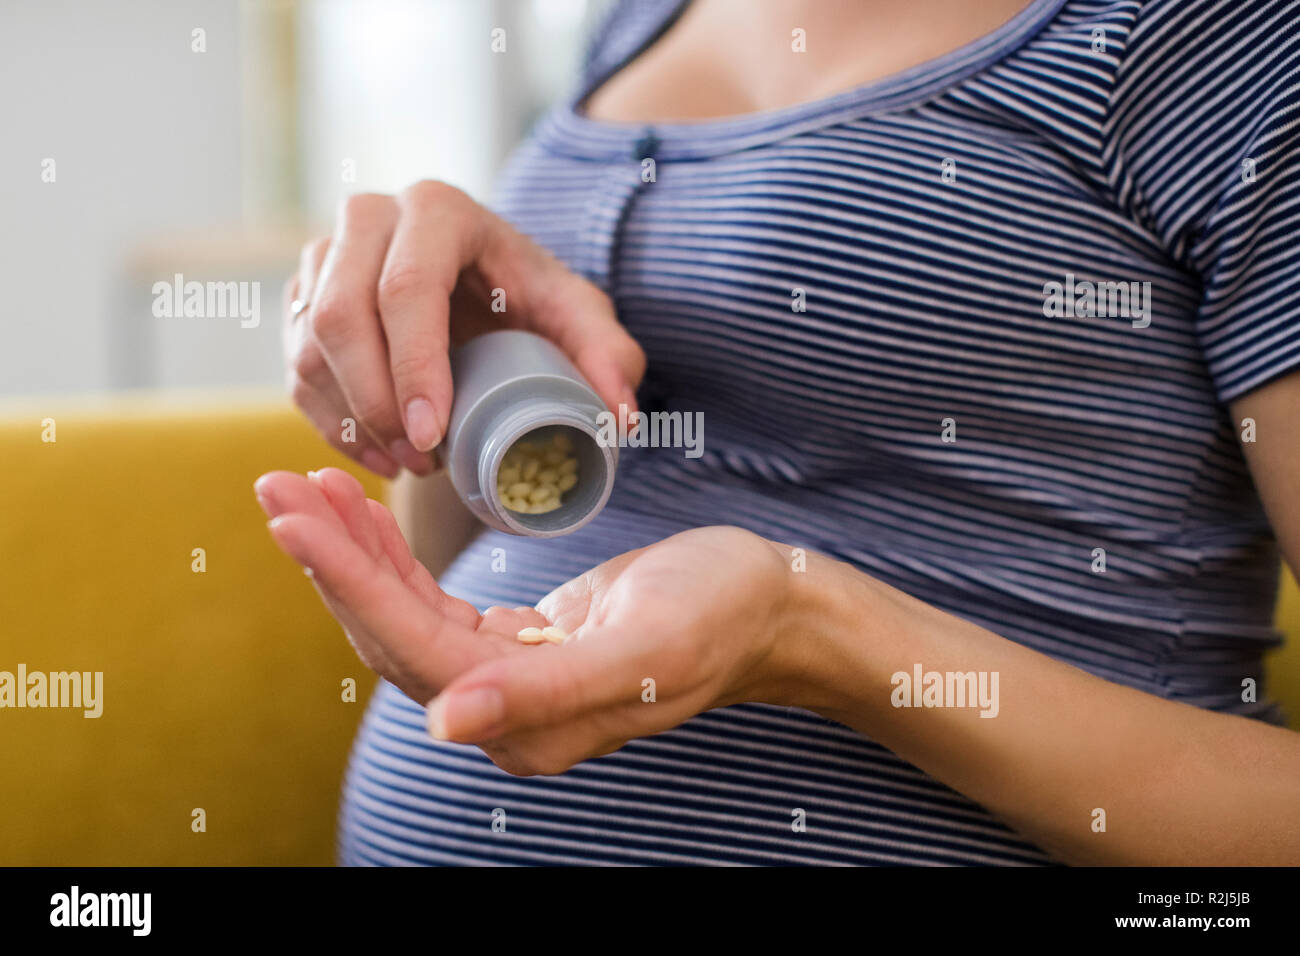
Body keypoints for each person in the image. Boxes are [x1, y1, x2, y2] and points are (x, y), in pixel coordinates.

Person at [254, 0, 1300, 865]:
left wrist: (814, 628)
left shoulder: (1222, 40)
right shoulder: (636, 20)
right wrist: (451, 364)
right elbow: (487, 565)